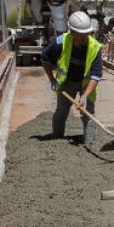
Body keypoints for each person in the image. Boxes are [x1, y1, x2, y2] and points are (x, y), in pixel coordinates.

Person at [41, 11, 103, 145]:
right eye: (80, 35)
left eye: (86, 34)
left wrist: (85, 96)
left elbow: (95, 75)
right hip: (67, 83)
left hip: (86, 84)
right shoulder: (60, 42)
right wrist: (52, 79)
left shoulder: (95, 47)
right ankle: (56, 140)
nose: (83, 38)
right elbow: (45, 59)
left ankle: (89, 142)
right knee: (61, 113)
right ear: (72, 32)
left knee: (88, 113)